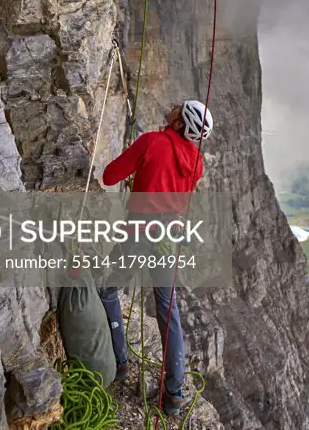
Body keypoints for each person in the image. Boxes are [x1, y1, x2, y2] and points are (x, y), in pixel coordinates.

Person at [98, 99, 213, 418]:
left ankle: (120, 362)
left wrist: (138, 172)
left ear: (180, 122)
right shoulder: (197, 162)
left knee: (109, 290)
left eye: (178, 110)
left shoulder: (152, 142)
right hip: (167, 238)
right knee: (167, 308)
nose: (172, 109)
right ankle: (174, 393)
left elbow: (109, 177)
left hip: (138, 233)